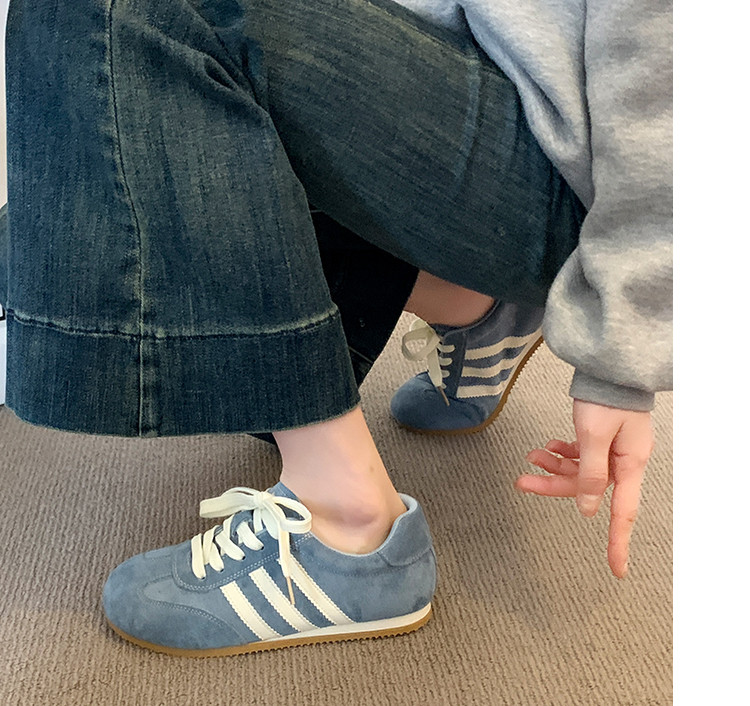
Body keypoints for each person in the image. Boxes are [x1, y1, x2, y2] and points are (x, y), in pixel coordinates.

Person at [1, 0, 671, 657]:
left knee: (115, 15)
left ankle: (347, 522)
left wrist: (622, 344)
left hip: (578, 159)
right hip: (476, 88)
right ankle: (469, 302)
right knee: (93, 169)